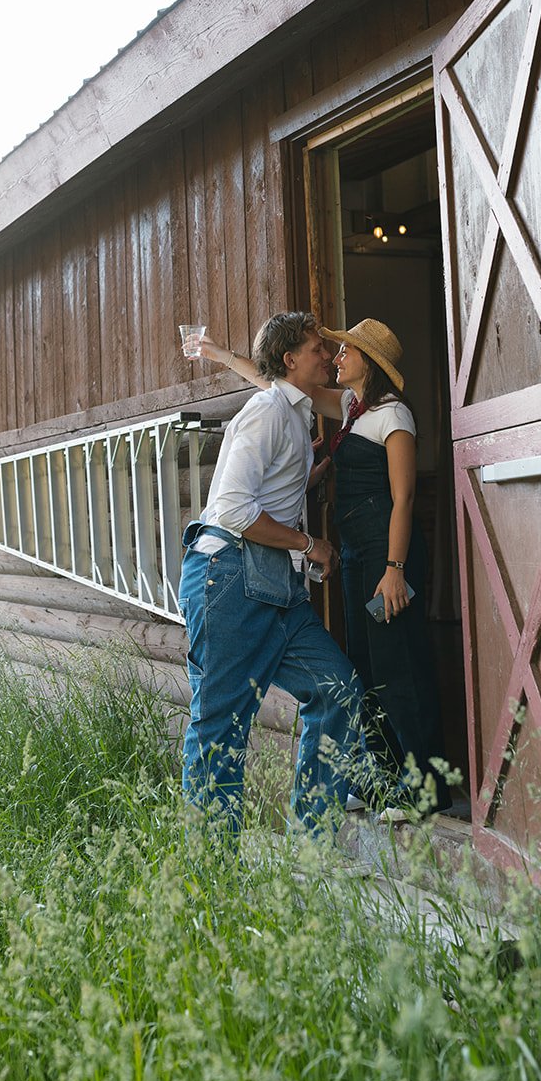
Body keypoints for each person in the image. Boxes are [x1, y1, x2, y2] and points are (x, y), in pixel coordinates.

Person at [199, 318, 450, 821]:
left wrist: (395, 567)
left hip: (387, 551)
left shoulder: (393, 415)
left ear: (369, 363)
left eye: (345, 352)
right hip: (356, 553)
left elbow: (404, 499)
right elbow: (279, 384)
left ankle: (426, 790)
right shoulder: (352, 409)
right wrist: (224, 357)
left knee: (397, 667)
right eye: (328, 350)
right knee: (365, 669)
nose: (335, 358)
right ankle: (389, 779)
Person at [178, 311, 363, 836]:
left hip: (274, 583)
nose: (327, 356)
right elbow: (234, 510)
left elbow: (276, 488)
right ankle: (211, 875)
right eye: (317, 349)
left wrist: (325, 470)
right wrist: (312, 543)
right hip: (230, 577)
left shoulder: (297, 415)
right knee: (221, 724)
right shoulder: (267, 412)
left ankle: (312, 841)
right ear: (290, 360)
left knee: (337, 689)